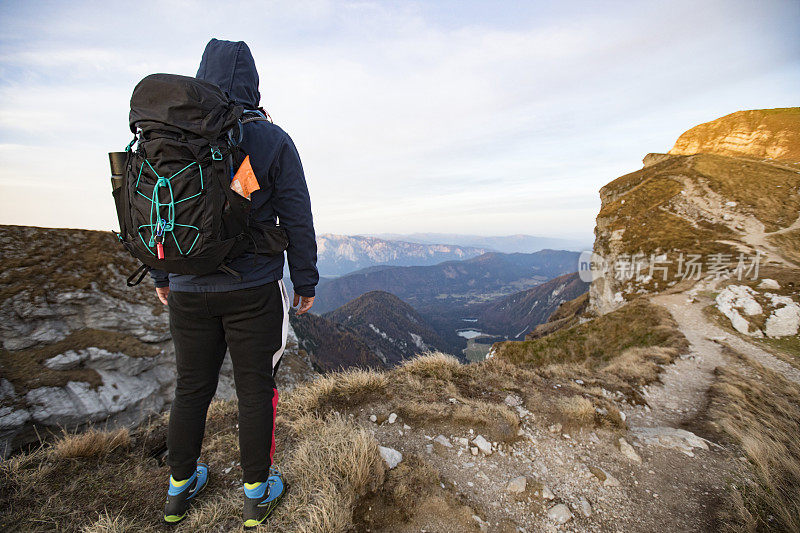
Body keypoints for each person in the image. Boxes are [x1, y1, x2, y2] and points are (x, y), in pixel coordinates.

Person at [156, 38, 318, 529]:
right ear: (253, 82)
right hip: (254, 290)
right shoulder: (271, 139)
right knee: (254, 388)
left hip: (187, 289)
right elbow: (297, 217)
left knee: (191, 388)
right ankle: (256, 493)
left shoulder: (169, 137)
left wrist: (165, 274)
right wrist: (305, 281)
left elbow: (160, 211)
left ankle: (178, 490)